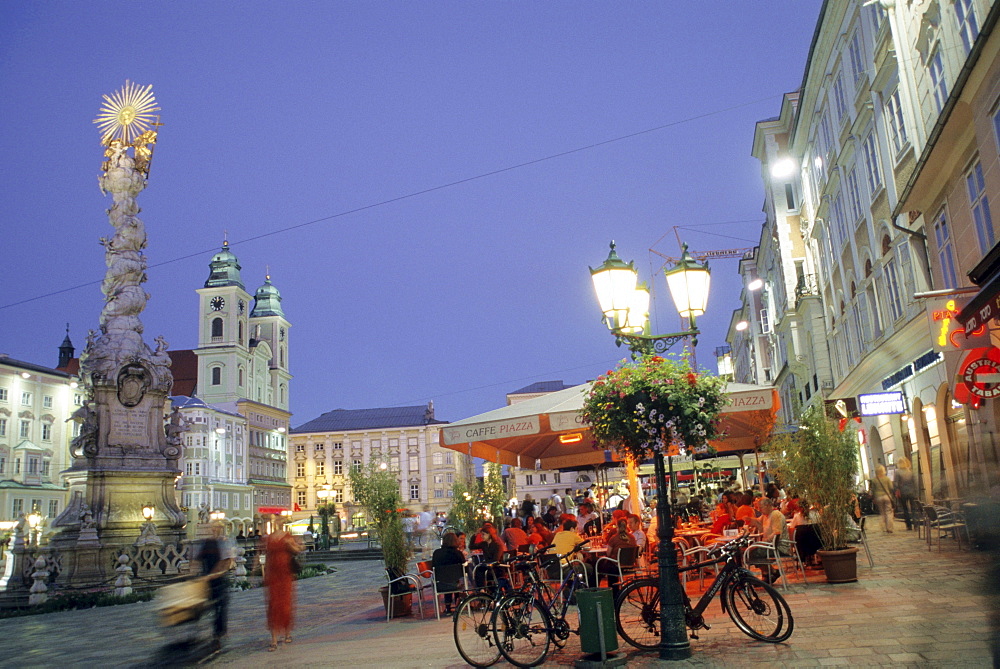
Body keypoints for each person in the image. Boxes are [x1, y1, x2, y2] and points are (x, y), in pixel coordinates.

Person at [192, 522, 234, 651]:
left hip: (219, 579)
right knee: (205, 607)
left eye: (219, 527)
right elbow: (197, 559)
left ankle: (218, 634)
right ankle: (203, 633)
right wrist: (193, 572)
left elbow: (226, 562)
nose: (216, 529)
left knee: (220, 606)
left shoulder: (225, 542)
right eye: (214, 527)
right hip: (207, 579)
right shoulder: (207, 543)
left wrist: (213, 574)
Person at [264, 524, 303, 651]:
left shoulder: (287, 537)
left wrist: (292, 544)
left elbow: (297, 550)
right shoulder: (270, 538)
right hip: (273, 574)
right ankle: (274, 639)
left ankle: (287, 633)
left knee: (285, 604)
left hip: (285, 573)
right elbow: (265, 554)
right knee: (273, 605)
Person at [747, 498, 790, 584]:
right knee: (750, 551)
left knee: (754, 553)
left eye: (761, 507)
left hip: (779, 546)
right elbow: (758, 522)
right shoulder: (765, 516)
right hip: (770, 544)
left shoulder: (775, 515)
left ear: (768, 506)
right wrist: (749, 520)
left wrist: (764, 541)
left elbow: (777, 533)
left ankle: (768, 573)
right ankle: (771, 572)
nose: (759, 510)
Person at [431, 532, 466, 614]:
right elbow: (464, 567)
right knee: (455, 578)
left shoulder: (437, 553)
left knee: (447, 578)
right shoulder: (457, 553)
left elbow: (433, 566)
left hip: (440, 584)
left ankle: (447, 607)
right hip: (455, 584)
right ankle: (458, 603)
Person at [895, 457, 918, 531]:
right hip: (911, 492)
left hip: (903, 493)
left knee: (905, 509)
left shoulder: (898, 472)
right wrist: (916, 492)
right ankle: (916, 524)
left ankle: (909, 525)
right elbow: (915, 483)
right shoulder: (910, 471)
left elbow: (896, 484)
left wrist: (896, 490)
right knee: (913, 509)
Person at [871, 464, 895, 533]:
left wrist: (874, 498)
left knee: (882, 513)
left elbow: (873, 490)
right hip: (886, 496)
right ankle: (889, 528)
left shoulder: (874, 480)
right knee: (889, 512)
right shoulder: (887, 478)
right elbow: (891, 488)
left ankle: (884, 528)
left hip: (878, 497)